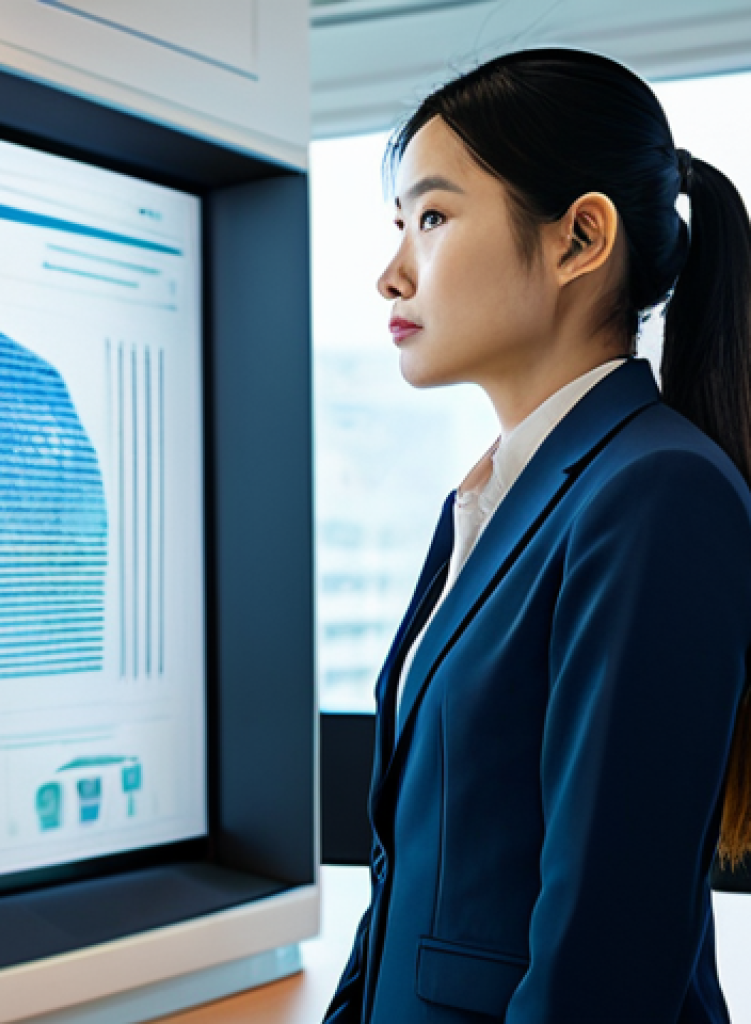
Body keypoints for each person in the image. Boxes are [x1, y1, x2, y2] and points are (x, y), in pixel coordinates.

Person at [324, 47, 751, 1024]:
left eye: (430, 218)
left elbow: (605, 955)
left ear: (578, 237)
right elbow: (410, 878)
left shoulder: (657, 494)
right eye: (399, 224)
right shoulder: (496, 496)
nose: (391, 274)